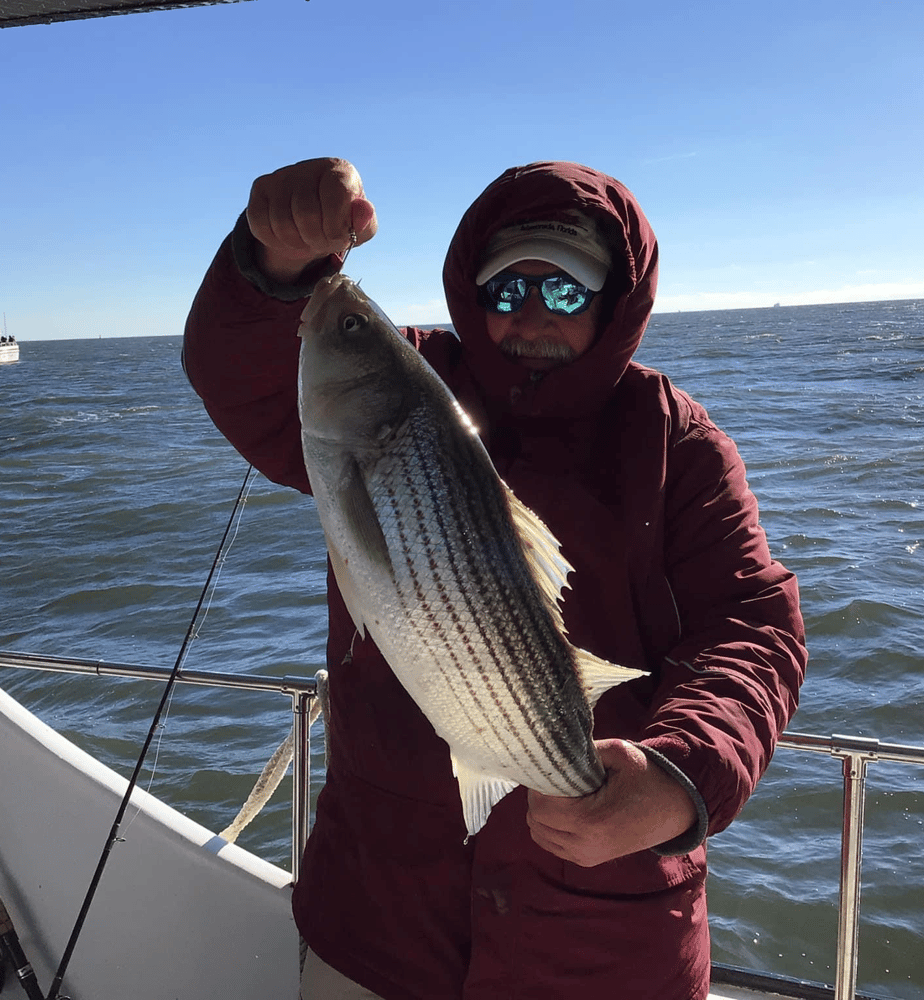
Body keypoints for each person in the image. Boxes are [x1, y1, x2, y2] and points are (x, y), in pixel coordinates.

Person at [183, 157, 807, 1000]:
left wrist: (676, 777)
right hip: (378, 919)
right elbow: (243, 373)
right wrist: (272, 263)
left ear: (616, 295)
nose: (532, 317)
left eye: (566, 292)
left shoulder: (678, 444)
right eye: (507, 292)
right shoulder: (410, 382)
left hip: (603, 947)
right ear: (472, 297)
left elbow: (752, 629)